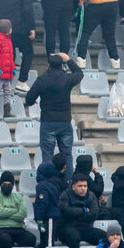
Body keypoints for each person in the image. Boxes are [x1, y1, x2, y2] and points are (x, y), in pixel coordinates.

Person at [26, 53, 83, 181]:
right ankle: (68, 183)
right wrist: (69, 60)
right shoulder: (67, 78)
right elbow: (79, 74)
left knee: (47, 156)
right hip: (65, 121)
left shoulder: (42, 80)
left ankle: (48, 183)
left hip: (48, 122)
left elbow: (29, 99)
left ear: (48, 65)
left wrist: (34, 100)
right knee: (67, 155)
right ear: (62, 66)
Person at [0, 170, 37, 248]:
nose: (7, 186)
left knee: (30, 238)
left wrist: (5, 215)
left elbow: (23, 214)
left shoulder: (18, 197)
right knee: (6, 239)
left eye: (9, 184)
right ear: (0, 184)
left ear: (13, 185)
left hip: (17, 229)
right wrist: (15, 210)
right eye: (4, 184)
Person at [59, 174, 107, 248]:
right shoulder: (65, 195)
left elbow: (94, 213)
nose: (83, 188)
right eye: (80, 186)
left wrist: (75, 216)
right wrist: (83, 210)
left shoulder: (91, 196)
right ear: (73, 187)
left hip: (86, 227)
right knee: (74, 237)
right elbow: (66, 212)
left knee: (106, 237)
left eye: (85, 186)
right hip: (68, 227)